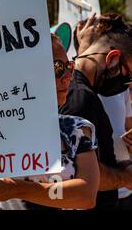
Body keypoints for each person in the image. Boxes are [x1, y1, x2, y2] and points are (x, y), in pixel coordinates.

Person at [0, 34, 100, 210]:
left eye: (70, 66)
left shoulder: (76, 129)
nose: (69, 76)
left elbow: (85, 195)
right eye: (57, 67)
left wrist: (18, 189)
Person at [59, 13, 132, 209]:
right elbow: (80, 173)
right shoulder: (81, 98)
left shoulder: (80, 89)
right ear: (113, 58)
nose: (126, 85)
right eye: (128, 76)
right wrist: (127, 177)